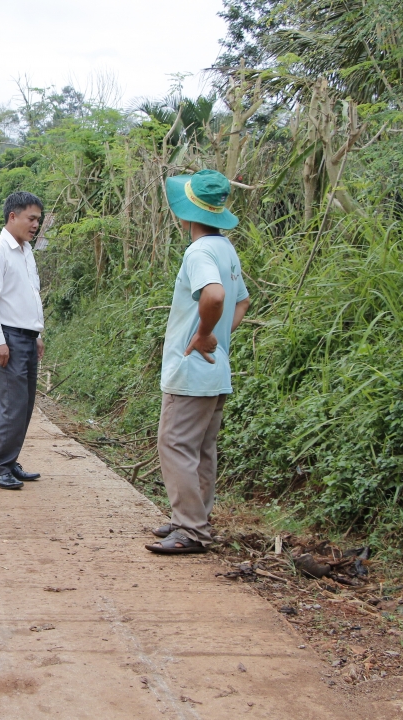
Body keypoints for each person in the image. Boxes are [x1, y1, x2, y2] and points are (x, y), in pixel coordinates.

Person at [146, 169, 250, 554]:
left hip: (191, 371)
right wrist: (219, 338)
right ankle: (193, 520)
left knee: (174, 444)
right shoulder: (225, 249)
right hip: (215, 370)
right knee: (202, 450)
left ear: (187, 212)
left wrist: (205, 333)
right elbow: (243, 300)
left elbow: (216, 296)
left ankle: (191, 529)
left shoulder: (200, 251)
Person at [0, 192, 46, 490]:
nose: (35, 225)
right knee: (11, 404)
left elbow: (29, 296)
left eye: (38, 220)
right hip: (8, 338)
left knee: (25, 404)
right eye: (31, 219)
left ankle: (10, 459)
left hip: (26, 337)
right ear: (12, 217)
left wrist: (38, 335)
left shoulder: (25, 250)